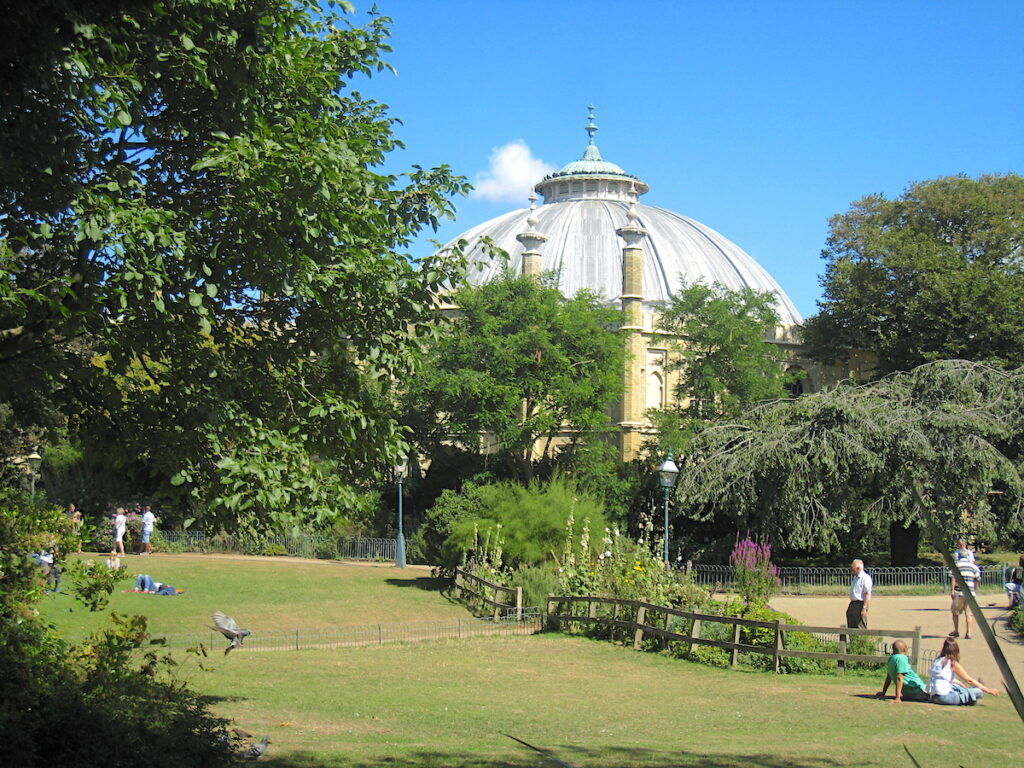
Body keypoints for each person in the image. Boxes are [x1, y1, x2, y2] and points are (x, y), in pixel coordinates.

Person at [925, 637, 999, 705]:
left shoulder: (937, 660)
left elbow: (943, 677)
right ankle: (976, 692)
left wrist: (960, 683)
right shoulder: (952, 663)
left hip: (932, 696)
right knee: (978, 692)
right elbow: (969, 680)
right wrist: (988, 690)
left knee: (956, 686)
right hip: (944, 698)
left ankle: (970, 696)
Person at [950, 553, 981, 639]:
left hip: (959, 592)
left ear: (959, 557)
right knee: (969, 613)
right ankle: (969, 632)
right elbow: (977, 579)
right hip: (970, 594)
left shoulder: (956, 566)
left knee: (955, 612)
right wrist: (974, 590)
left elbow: (953, 578)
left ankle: (956, 630)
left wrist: (952, 590)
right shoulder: (973, 566)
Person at [847, 559, 872, 628]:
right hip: (853, 603)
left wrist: (864, 608)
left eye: (852, 568)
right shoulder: (855, 577)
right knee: (851, 625)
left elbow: (867, 594)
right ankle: (853, 639)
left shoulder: (865, 578)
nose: (851, 570)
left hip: (860, 604)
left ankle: (862, 639)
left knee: (860, 625)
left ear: (858, 568)